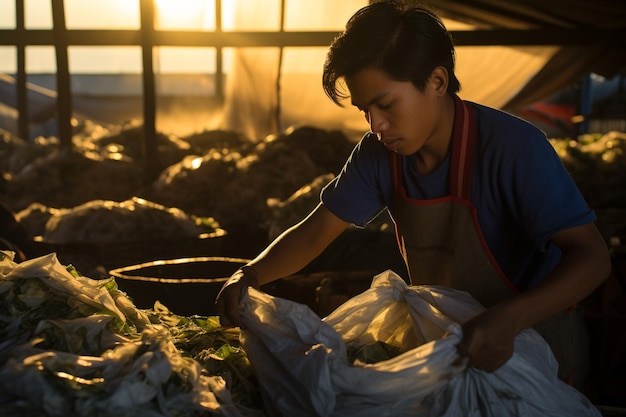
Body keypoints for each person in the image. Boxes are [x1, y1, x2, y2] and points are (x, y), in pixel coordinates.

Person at [215, 0, 611, 381]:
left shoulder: (515, 148)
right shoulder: (378, 154)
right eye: (364, 110)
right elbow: (317, 232)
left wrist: (510, 318)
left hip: (530, 343)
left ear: (437, 81)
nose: (375, 124)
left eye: (386, 104)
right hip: (443, 337)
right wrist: (249, 274)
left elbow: (592, 258)